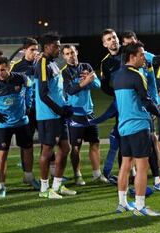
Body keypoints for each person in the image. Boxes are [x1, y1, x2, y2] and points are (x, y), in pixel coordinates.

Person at [122, 31, 160, 191]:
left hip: (147, 107)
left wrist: (154, 106)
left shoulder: (144, 57)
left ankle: (159, 177)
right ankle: (135, 182)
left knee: (152, 140)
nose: (130, 44)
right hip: (134, 109)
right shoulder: (126, 62)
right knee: (131, 149)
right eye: (126, 43)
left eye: (132, 41)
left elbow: (158, 63)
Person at [114, 42, 160, 217]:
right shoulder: (136, 75)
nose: (144, 58)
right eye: (141, 55)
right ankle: (140, 206)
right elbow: (146, 100)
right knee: (142, 166)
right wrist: (159, 111)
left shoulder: (118, 76)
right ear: (132, 57)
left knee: (126, 165)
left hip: (124, 127)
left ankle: (122, 203)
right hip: (139, 126)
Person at [0, 56, 37, 198]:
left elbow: (30, 87)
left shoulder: (21, 78)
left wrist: (28, 104)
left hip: (22, 122)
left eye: (3, 70)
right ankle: (2, 186)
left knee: (28, 149)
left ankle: (29, 177)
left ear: (9, 68)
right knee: (2, 155)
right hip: (4, 125)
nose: (0, 73)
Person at [35, 32, 76, 199]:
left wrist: (64, 106)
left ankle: (57, 185)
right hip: (48, 115)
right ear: (46, 47)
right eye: (56, 45)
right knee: (47, 151)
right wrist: (59, 110)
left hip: (58, 114)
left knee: (66, 147)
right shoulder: (43, 63)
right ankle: (44, 189)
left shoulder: (53, 63)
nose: (59, 48)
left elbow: (56, 89)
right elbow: (43, 94)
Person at [61, 44, 108, 185]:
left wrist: (90, 80)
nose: (70, 55)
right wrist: (85, 82)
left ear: (77, 52)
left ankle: (97, 174)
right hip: (75, 114)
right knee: (76, 146)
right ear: (63, 56)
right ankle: (77, 175)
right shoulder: (64, 72)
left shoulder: (86, 66)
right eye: (67, 53)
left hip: (89, 112)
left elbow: (98, 85)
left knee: (95, 143)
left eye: (72, 52)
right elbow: (69, 90)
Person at [10, 38, 41, 189]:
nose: (35, 52)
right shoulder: (16, 67)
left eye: (36, 49)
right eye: (32, 49)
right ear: (24, 51)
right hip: (27, 111)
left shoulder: (42, 64)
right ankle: (28, 175)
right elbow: (11, 88)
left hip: (43, 109)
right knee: (27, 144)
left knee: (48, 142)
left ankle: (52, 174)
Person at [100, 28, 123, 183]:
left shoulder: (130, 53)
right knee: (120, 135)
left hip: (139, 102)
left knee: (149, 137)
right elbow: (104, 86)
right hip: (121, 105)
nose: (113, 40)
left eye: (114, 37)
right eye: (109, 39)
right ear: (104, 44)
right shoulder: (105, 63)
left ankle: (158, 174)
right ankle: (122, 172)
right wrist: (118, 94)